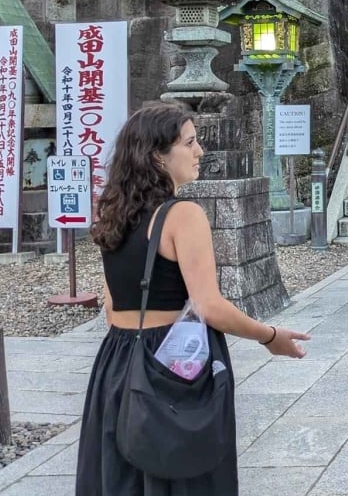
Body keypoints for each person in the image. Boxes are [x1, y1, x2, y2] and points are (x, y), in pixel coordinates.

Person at [76, 100, 310, 495]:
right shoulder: (182, 215)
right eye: (190, 143)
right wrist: (270, 336)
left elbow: (111, 304)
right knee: (183, 478)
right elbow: (209, 305)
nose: (200, 151)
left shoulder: (114, 214)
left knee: (120, 479)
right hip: (170, 362)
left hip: (115, 361)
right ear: (157, 156)